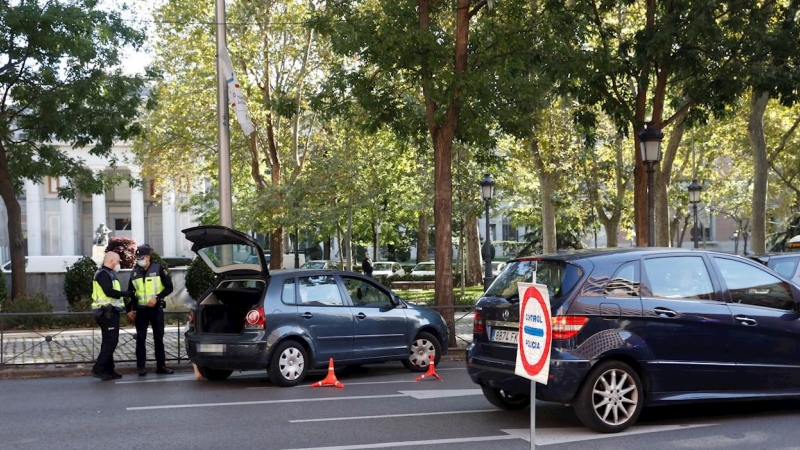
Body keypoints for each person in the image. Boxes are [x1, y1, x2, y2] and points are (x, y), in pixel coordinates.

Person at [127, 244, 175, 376]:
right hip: (141, 311)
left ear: (148, 257)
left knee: (158, 339)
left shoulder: (159, 269)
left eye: (140, 257)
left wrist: (157, 297)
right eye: (137, 258)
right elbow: (131, 292)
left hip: (156, 310)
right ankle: (141, 367)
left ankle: (161, 366)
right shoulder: (134, 272)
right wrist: (128, 309)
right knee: (140, 339)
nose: (138, 260)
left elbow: (169, 287)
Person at [90, 251, 134, 381]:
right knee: (111, 342)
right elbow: (109, 291)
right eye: (118, 261)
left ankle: (109, 370)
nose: (119, 263)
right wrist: (126, 293)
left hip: (111, 312)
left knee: (108, 342)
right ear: (112, 261)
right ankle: (98, 368)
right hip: (105, 312)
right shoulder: (103, 274)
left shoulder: (109, 274)